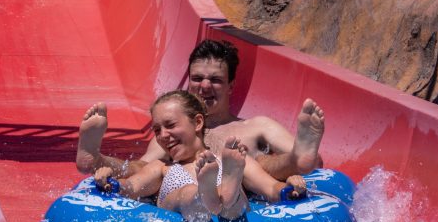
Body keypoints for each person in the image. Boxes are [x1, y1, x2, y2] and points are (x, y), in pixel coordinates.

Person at [76, 39, 324, 184]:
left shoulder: (257, 126)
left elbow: (317, 162)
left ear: (231, 86)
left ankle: (293, 161)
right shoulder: (174, 130)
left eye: (215, 80)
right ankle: (94, 158)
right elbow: (142, 166)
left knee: (253, 160)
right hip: (192, 194)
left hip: (248, 189)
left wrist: (300, 160)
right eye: (197, 78)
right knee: (148, 168)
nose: (204, 86)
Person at [77, 91, 307, 222]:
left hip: (226, 202)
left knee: (233, 197)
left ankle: (226, 192)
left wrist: (291, 187)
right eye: (157, 130)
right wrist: (109, 181)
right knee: (188, 193)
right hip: (185, 205)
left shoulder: (232, 160)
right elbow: (131, 187)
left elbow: (271, 189)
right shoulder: (161, 168)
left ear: (197, 123)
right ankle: (210, 193)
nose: (162, 136)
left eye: (170, 126)